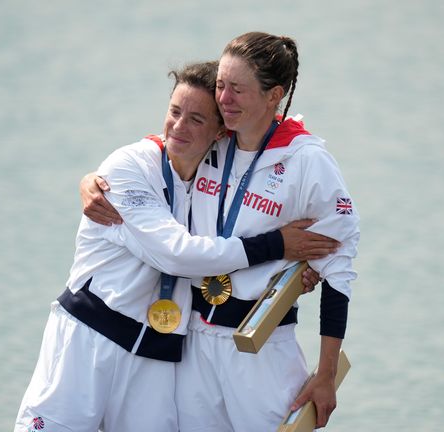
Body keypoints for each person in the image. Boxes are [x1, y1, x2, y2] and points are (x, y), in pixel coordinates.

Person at [15, 61, 337, 432]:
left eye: (197, 119)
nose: (179, 126)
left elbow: (259, 204)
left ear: (220, 133)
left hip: (155, 357)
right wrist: (276, 245)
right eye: (174, 112)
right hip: (89, 339)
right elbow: (177, 253)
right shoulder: (127, 167)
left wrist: (296, 269)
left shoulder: (212, 177)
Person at [80, 32, 360, 431]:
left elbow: (339, 270)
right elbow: (160, 148)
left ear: (273, 94)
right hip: (192, 342)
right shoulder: (216, 138)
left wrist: (327, 374)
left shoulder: (307, 161)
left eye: (238, 90)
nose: (224, 100)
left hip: (260, 347)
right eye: (221, 86)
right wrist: (90, 179)